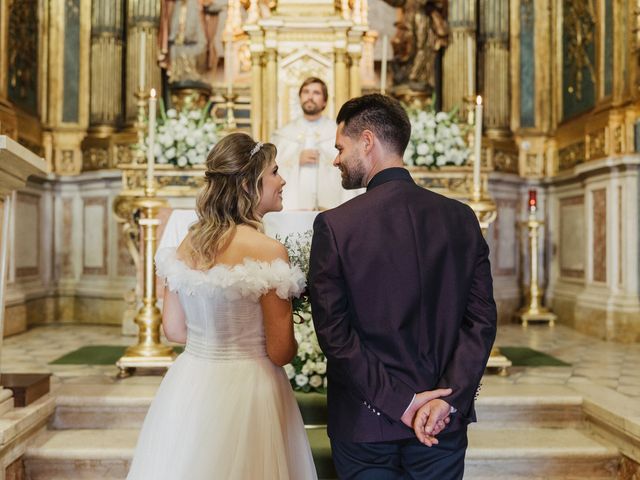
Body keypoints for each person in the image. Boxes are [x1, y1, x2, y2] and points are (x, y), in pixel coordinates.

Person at [308, 94, 496, 479]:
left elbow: (335, 336)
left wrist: (402, 403)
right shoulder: (460, 219)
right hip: (441, 423)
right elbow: (481, 321)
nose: (336, 159)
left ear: (367, 141)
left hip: (365, 425)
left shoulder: (336, 226)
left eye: (340, 148)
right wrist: (447, 400)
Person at [127, 133, 318, 479]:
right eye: (274, 172)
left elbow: (173, 330)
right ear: (248, 184)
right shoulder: (268, 251)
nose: (283, 179)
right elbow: (280, 352)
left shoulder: (187, 243)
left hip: (190, 382)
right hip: (251, 388)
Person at [271, 77, 357, 210]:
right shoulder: (283, 135)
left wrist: (324, 159)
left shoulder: (338, 132)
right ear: (299, 97)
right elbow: (270, 172)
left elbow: (350, 168)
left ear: (324, 101)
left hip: (330, 207)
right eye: (306, 92)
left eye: (316, 93)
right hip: (292, 211)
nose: (310, 97)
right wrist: (295, 161)